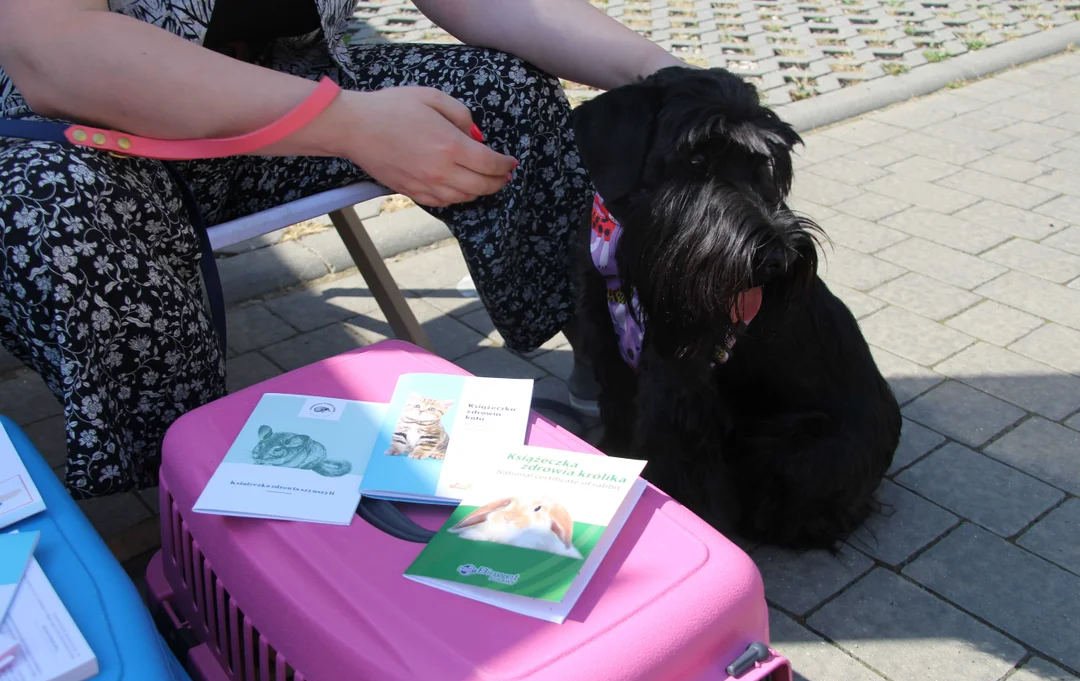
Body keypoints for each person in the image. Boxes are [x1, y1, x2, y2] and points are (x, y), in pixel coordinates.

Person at [0, 0, 686, 499]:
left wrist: (664, 74)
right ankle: (184, 490)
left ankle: (613, 381)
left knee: (508, 94)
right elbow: (54, 51)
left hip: (288, 92)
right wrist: (347, 124)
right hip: (73, 134)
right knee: (76, 205)